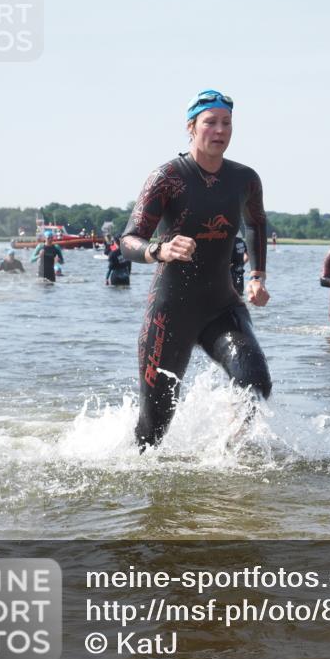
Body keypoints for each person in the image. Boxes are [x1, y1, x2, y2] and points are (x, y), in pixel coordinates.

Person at [120, 89, 271, 452]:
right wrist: (160, 249)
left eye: (227, 123)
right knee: (153, 431)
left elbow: (256, 223)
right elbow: (128, 240)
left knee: (255, 382)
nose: (219, 130)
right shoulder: (167, 177)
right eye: (211, 122)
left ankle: (228, 457)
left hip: (222, 306)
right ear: (191, 127)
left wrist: (257, 277)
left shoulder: (244, 179)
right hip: (170, 314)